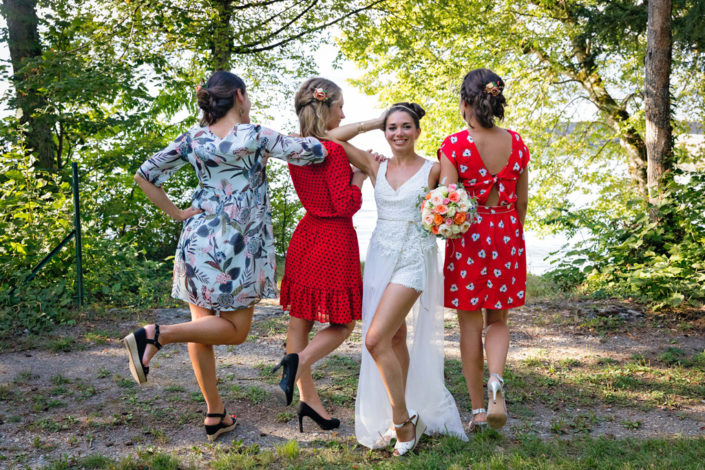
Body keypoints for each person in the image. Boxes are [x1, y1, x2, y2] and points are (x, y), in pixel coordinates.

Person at [123, 71, 326, 441]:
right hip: (237, 245)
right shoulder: (257, 136)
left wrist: (178, 213)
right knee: (235, 331)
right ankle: (155, 335)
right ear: (238, 96)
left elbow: (145, 175)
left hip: (198, 239)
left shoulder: (193, 138)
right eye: (248, 97)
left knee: (202, 331)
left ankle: (215, 414)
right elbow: (315, 152)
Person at [344, 102, 467, 455]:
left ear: (417, 131)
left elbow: (451, 201)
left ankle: (402, 421)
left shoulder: (433, 168)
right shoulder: (373, 165)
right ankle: (408, 408)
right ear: (385, 132)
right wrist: (372, 121)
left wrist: (449, 215)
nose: (398, 133)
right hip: (381, 255)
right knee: (395, 339)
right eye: (392, 127)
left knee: (374, 339)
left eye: (405, 126)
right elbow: (328, 137)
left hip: (414, 259)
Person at [274, 77, 375, 432]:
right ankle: (297, 361)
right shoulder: (331, 152)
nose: (344, 113)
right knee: (344, 322)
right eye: (340, 107)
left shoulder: (296, 147)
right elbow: (345, 204)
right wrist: (360, 176)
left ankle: (308, 399)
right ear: (324, 107)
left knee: (300, 318)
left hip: (306, 237)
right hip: (333, 240)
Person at [438, 69, 530, 432]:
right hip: (507, 231)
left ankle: (478, 409)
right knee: (498, 319)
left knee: (469, 324)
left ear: (464, 104)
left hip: (469, 236)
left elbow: (448, 203)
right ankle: (496, 381)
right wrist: (510, 233)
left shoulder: (454, 145)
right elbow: (521, 203)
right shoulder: (517, 143)